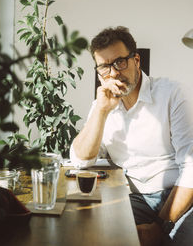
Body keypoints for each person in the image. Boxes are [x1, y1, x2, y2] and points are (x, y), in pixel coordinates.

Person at [70, 26, 193, 246]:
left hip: (178, 197)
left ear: (136, 60)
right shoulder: (102, 105)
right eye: (104, 68)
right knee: (85, 232)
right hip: (134, 199)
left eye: (120, 62)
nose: (114, 73)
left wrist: (161, 226)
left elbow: (191, 169)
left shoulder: (173, 94)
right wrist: (101, 110)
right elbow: (81, 160)